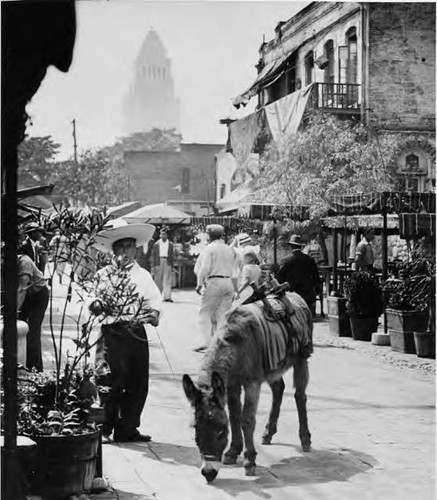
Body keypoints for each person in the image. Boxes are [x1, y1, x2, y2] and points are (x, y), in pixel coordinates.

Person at [89, 222, 162, 443]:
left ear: (135, 249)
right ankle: (104, 428)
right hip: (111, 332)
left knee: (137, 381)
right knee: (108, 379)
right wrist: (96, 305)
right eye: (120, 247)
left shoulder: (144, 276)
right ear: (113, 251)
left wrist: (155, 314)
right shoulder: (103, 275)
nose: (125, 252)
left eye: (129, 247)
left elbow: (154, 301)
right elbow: (92, 299)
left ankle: (128, 427)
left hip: (135, 332)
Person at [195, 224, 236, 352]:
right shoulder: (230, 249)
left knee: (205, 313)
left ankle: (207, 342)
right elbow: (234, 268)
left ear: (209, 235)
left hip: (214, 281)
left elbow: (205, 268)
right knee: (222, 315)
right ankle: (220, 342)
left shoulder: (210, 248)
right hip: (228, 281)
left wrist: (199, 283)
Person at [16, 252, 50, 371]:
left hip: (38, 295)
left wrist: (14, 311)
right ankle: (22, 363)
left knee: (32, 331)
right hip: (27, 296)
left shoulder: (24, 262)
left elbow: (21, 289)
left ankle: (35, 368)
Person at [276, 234, 321, 315]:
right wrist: (317, 291)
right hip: (307, 294)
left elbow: (280, 278)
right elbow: (316, 278)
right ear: (301, 247)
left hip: (291, 295)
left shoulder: (286, 260)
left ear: (291, 247)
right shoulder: (309, 259)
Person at [151, 228, 175, 302]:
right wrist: (153, 266)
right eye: (162, 234)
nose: (163, 235)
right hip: (158, 261)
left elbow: (172, 255)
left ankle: (167, 297)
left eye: (165, 234)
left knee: (167, 280)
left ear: (167, 235)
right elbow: (153, 255)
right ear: (160, 235)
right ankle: (157, 296)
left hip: (167, 261)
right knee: (158, 280)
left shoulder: (170, 244)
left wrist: (172, 265)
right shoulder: (156, 244)